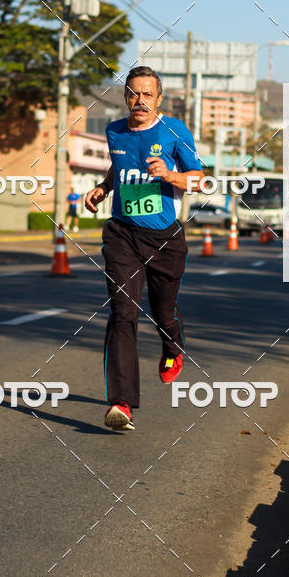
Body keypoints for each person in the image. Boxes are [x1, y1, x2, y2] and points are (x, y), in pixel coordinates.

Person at [85, 67, 205, 432]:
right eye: (133, 94)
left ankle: (173, 347)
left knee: (162, 312)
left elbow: (200, 178)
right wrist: (104, 188)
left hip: (165, 239)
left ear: (159, 100)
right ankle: (121, 403)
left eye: (147, 95)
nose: (140, 101)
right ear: (125, 98)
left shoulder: (174, 131)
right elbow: (119, 165)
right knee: (124, 313)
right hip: (122, 235)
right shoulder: (114, 131)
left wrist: (170, 175)